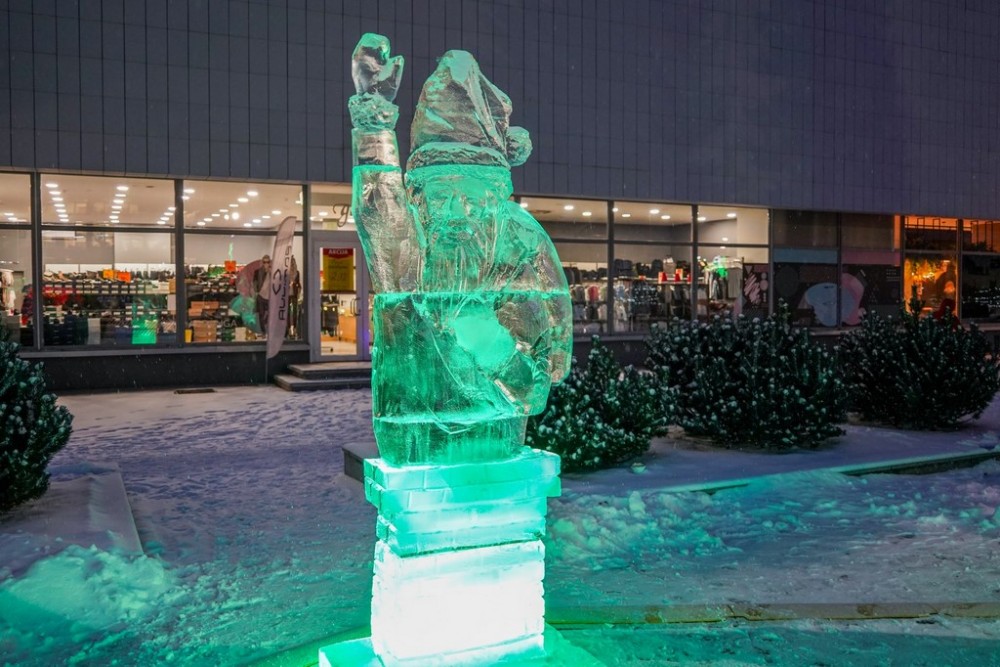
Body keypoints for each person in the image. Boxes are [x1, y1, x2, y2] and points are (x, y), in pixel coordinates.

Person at [349, 34, 572, 465]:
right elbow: (378, 209)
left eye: (468, 199)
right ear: (419, 200)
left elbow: (537, 387)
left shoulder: (518, 259)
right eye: (439, 197)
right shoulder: (408, 261)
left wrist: (490, 342)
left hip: (495, 445)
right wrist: (373, 122)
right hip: (412, 445)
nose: (454, 214)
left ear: (494, 203)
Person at [253, 254, 271, 334]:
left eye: (268, 262)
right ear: (262, 262)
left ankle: (269, 330)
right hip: (261, 296)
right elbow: (254, 282)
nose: (266, 264)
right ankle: (263, 331)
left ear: (270, 262)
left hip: (270, 297)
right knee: (261, 314)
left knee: (270, 314)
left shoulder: (273, 272)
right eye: (264, 262)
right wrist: (256, 291)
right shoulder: (258, 272)